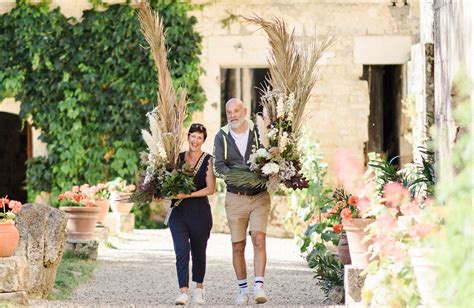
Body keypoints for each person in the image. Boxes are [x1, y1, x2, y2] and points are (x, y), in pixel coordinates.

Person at [213, 98, 271, 305]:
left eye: (236, 111)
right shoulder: (221, 136)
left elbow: (272, 159)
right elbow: (219, 166)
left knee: (259, 239)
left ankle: (259, 287)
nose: (233, 115)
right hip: (235, 198)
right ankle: (242, 290)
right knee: (238, 246)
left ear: (244, 111)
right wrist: (243, 175)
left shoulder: (260, 131)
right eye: (229, 112)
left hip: (259, 197)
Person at [168, 123, 215, 305]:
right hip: (178, 212)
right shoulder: (177, 158)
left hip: (200, 213)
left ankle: (199, 289)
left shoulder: (209, 160)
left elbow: (210, 189)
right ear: (188, 137)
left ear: (203, 141)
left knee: (198, 251)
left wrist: (187, 194)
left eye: (199, 138)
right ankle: (183, 291)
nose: (195, 141)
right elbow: (166, 181)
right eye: (193, 136)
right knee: (181, 251)